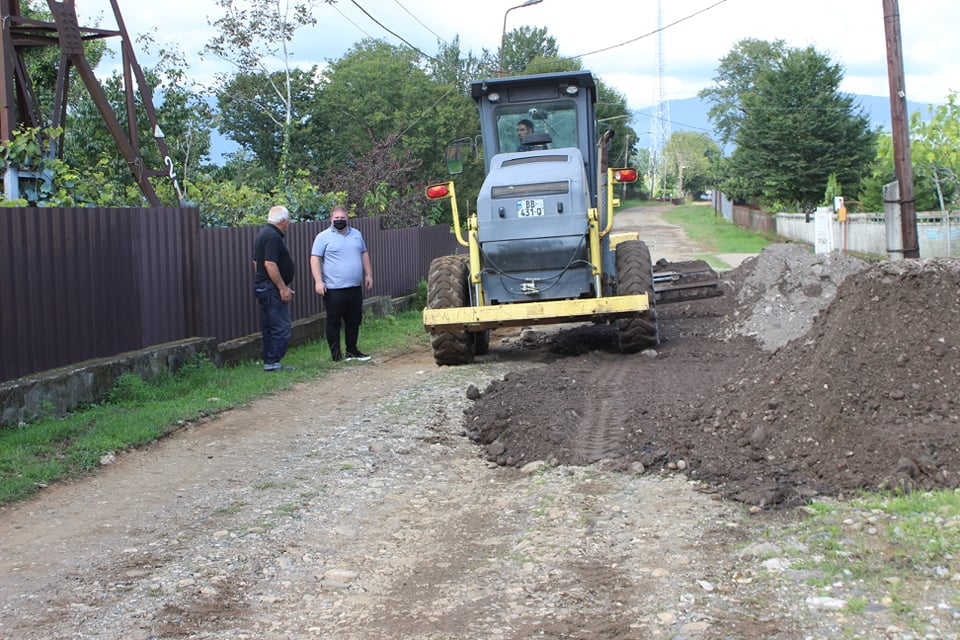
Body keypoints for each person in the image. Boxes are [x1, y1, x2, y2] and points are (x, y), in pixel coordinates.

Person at [310, 206, 374, 362]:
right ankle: (336, 355)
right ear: (331, 219)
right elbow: (315, 259)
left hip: (354, 287)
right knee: (334, 322)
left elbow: (364, 254)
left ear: (347, 219)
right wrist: (318, 281)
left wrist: (369, 274)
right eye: (336, 218)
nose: (339, 220)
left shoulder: (357, 235)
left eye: (342, 218)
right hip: (333, 289)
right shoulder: (323, 237)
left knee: (354, 320)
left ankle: (352, 351)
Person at [253, 205, 296, 372]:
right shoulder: (273, 236)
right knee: (281, 327)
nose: (288, 224)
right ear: (283, 221)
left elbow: (256, 262)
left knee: (269, 326)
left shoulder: (263, 233)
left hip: (264, 286)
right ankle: (273, 362)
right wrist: (282, 288)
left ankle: (270, 361)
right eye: (288, 221)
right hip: (271, 288)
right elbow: (269, 263)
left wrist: (262, 279)